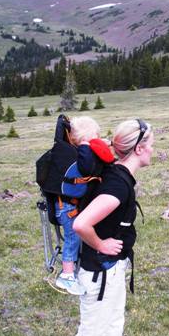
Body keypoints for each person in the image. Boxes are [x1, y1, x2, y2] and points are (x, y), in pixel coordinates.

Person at [70, 118, 154, 336]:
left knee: (113, 320)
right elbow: (81, 224)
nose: (154, 151)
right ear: (140, 149)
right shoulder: (117, 184)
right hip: (98, 271)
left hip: (113, 267)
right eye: (152, 145)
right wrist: (101, 244)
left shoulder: (119, 176)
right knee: (92, 327)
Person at [55, 116, 114, 295]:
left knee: (75, 237)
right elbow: (87, 168)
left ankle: (73, 269)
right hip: (67, 208)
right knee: (73, 238)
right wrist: (89, 147)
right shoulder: (83, 151)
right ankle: (66, 276)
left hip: (67, 206)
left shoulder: (73, 149)